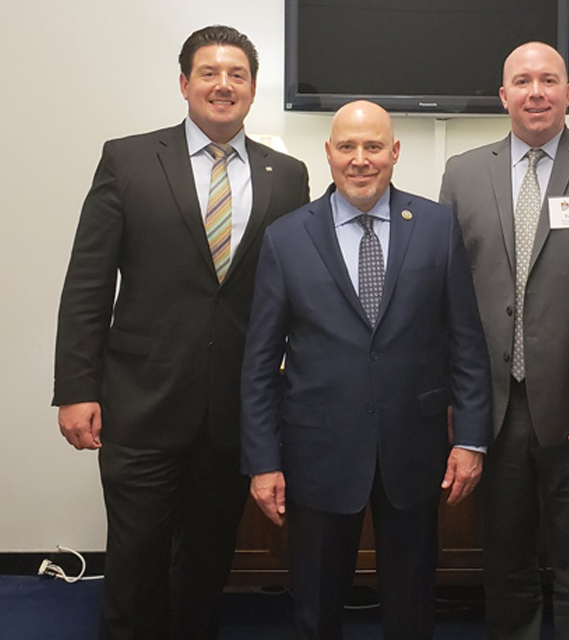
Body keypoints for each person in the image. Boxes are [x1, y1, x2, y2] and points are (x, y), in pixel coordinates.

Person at [52, 25, 310, 640]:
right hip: (141, 403)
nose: (223, 86)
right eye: (209, 73)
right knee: (136, 564)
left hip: (234, 414)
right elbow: (88, 282)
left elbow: (295, 294)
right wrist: (75, 387)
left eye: (237, 75)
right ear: (184, 83)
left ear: (252, 88)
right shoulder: (130, 158)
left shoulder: (288, 175)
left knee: (204, 565)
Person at [240, 100, 492, 639]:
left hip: (414, 449)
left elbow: (467, 343)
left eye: (373, 146)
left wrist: (471, 440)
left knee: (412, 604)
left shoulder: (436, 225)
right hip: (317, 454)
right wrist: (262, 460)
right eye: (348, 147)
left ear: (394, 152)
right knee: (316, 607)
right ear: (328, 153)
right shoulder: (287, 237)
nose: (360, 160)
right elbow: (260, 362)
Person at [439, 42, 569, 639]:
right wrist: (458, 395)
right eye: (523, 81)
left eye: (549, 80)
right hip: (493, 409)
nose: (537, 91)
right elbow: (446, 297)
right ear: (503, 96)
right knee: (504, 563)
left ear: (568, 93)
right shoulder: (462, 172)